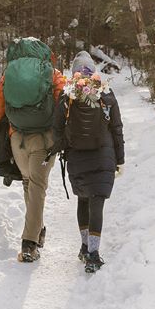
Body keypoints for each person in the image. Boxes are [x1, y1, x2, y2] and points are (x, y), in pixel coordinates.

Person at [0, 37, 66, 262]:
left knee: (28, 182)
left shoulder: (9, 74)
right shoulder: (52, 73)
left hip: (18, 138)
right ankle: (29, 243)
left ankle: (37, 229)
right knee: (38, 185)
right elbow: (65, 101)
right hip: (44, 139)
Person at [54, 49, 125, 273]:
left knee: (83, 200)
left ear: (74, 73)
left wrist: (63, 149)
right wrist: (119, 159)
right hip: (103, 156)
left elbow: (56, 129)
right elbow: (116, 129)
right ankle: (93, 254)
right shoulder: (106, 93)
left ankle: (84, 247)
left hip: (76, 156)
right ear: (93, 72)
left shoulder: (67, 96)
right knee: (97, 203)